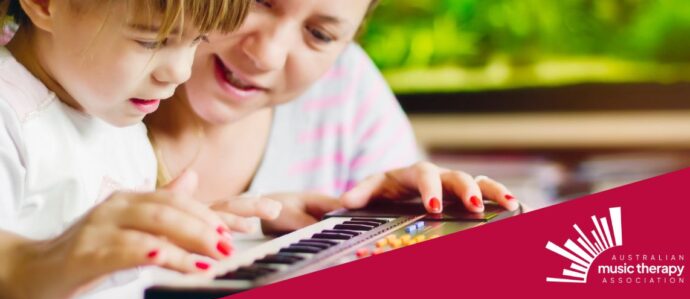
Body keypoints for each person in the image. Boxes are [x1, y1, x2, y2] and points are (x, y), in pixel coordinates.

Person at [146, 0, 521, 235]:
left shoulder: (347, 87)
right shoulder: (102, 87)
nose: (267, 55)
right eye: (257, 1)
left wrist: (418, 222)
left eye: (320, 34)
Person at [0, 0, 269, 299]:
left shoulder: (116, 118)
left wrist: (179, 231)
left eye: (198, 40)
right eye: (150, 41)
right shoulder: (9, 114)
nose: (180, 72)